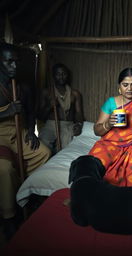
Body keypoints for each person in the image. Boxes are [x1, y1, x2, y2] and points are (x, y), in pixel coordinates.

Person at [0, 42, 51, 239]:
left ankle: (29, 193)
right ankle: (9, 217)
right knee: (4, 169)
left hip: (19, 131)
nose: (14, 67)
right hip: (0, 136)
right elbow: (10, 111)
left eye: (16, 62)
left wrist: (30, 131)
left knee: (44, 153)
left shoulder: (24, 87)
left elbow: (30, 113)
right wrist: (6, 111)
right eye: (8, 62)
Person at [37, 63, 84, 155]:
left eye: (64, 74)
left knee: (66, 149)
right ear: (54, 76)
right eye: (58, 74)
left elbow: (79, 113)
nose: (61, 77)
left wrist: (78, 124)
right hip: (51, 124)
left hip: (68, 125)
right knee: (43, 144)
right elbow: (39, 116)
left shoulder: (75, 94)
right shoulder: (47, 93)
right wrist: (49, 107)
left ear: (67, 75)